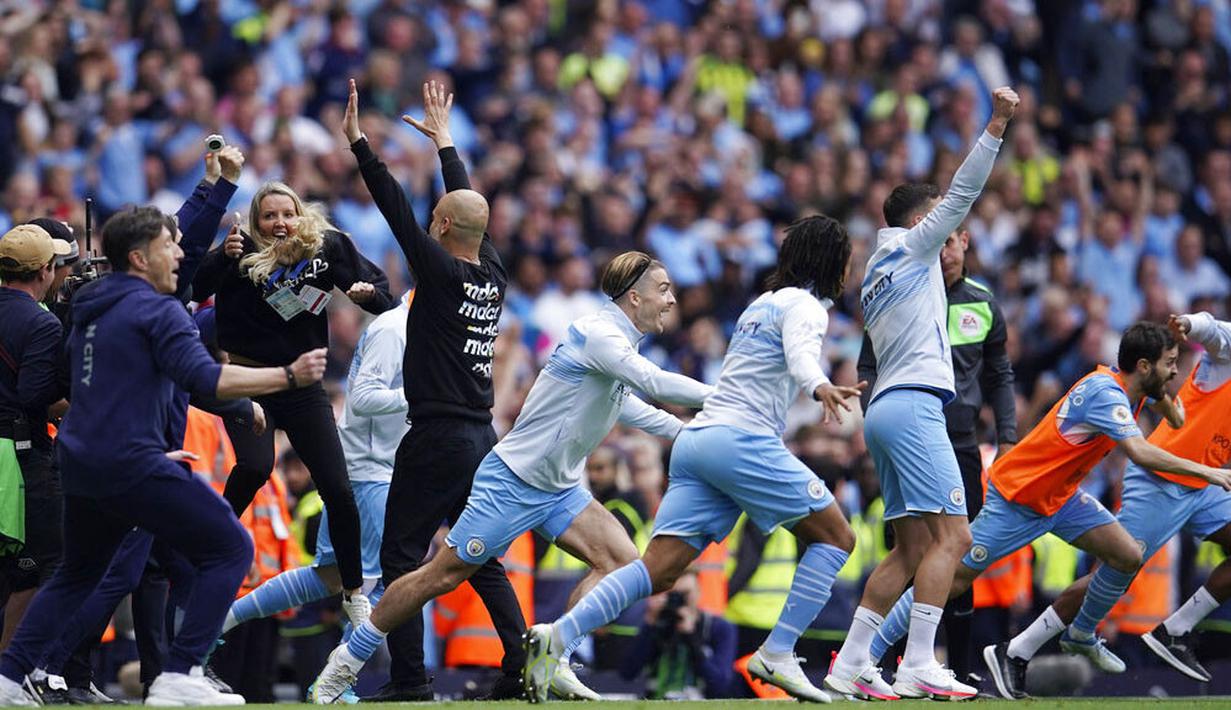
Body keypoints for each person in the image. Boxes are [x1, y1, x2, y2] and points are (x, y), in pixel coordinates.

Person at [309, 250, 713, 703]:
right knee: (439, 575)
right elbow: (654, 384)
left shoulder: (619, 345)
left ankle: (554, 655)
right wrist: (726, 400)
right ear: (634, 297)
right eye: (663, 290)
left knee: (622, 564)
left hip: (559, 489)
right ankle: (348, 659)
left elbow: (631, 404)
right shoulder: (598, 334)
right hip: (513, 482)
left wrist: (687, 430)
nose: (673, 300)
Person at [522, 215, 864, 704]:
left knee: (657, 571)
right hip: (741, 442)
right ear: (831, 261)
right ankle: (780, 652)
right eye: (847, 260)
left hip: (697, 441)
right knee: (837, 537)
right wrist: (820, 386)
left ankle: (557, 636)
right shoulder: (807, 307)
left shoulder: (759, 305)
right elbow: (801, 356)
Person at [0, 206, 330, 707]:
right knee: (230, 549)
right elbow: (207, 379)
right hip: (131, 462)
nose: (178, 253)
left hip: (80, 461)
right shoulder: (156, 310)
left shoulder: (89, 305)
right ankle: (180, 674)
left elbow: (76, 384)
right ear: (139, 258)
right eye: (167, 246)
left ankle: (8, 679)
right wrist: (288, 376)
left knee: (78, 574)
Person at [868, 322, 1231, 695]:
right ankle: (866, 655)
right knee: (952, 578)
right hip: (1019, 498)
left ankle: (1082, 634)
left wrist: (1162, 393)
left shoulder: (1133, 387)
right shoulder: (1106, 395)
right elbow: (1140, 452)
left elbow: (1178, 420)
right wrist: (1210, 472)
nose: (1176, 370)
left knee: (1127, 555)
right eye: (1169, 363)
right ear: (1142, 365)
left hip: (1062, 498)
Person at [824, 87, 1019, 701]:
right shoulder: (913, 250)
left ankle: (850, 662)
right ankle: (917, 663)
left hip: (885, 409)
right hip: (914, 406)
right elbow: (964, 190)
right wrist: (996, 123)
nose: (954, 228)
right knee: (954, 539)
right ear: (920, 222)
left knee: (910, 548)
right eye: (943, 221)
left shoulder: (879, 272)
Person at [340, 78, 527, 701]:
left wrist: (361, 145)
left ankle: (410, 679)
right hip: (481, 437)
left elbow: (393, 206)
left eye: (436, 217)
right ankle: (521, 667)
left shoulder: (441, 271)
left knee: (400, 557)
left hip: (438, 436)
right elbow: (471, 213)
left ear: (442, 224)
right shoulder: (491, 273)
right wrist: (447, 145)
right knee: (478, 557)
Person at [982, 313, 1231, 699]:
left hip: (1206, 481)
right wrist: (1189, 323)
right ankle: (1018, 650)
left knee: (1122, 562)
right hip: (1162, 480)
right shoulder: (1226, 347)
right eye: (1167, 363)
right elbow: (1212, 331)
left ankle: (1177, 629)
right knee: (1118, 566)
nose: (1172, 369)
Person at [193, 174, 397, 628]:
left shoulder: (324, 249)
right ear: (255, 221)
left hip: (303, 385)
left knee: (339, 490)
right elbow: (189, 287)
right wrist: (220, 260)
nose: (280, 223)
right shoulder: (238, 249)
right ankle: (207, 552)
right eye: (270, 216)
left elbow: (384, 295)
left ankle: (352, 591)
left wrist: (369, 295)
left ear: (300, 216)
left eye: (288, 214)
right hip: (248, 380)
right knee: (254, 468)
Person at [219, 290, 414, 697]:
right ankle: (336, 683)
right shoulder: (394, 331)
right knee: (384, 584)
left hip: (373, 466)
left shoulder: (410, 328)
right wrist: (424, 395)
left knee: (331, 577)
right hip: (371, 469)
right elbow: (363, 397)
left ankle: (221, 620)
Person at [856, 223, 1018, 681]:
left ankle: (960, 671)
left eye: (951, 241)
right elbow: (868, 364)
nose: (944, 252)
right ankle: (886, 666)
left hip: (962, 442)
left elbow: (1000, 375)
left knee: (960, 557)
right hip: (911, 430)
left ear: (965, 240)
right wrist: (877, 410)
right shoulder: (906, 291)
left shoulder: (983, 304)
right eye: (939, 242)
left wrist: (1007, 438)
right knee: (910, 549)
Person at [0, 225, 72, 647]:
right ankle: (9, 672)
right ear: (46, 270)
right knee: (45, 563)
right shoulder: (41, 324)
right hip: (21, 459)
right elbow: (34, 394)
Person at [620, 570, 737, 699]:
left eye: (685, 594)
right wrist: (650, 625)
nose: (679, 601)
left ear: (699, 592)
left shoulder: (718, 627)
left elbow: (720, 683)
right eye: (673, 595)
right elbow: (627, 672)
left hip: (699, 701)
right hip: (657, 699)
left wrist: (692, 638)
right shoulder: (659, 623)